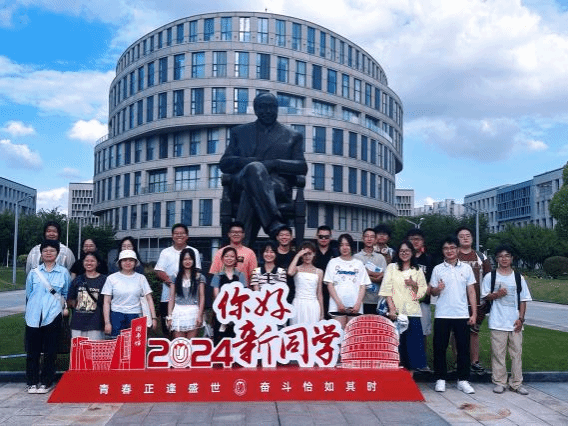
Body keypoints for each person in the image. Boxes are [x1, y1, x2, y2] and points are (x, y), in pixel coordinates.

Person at [219, 92, 308, 241]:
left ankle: (241, 249)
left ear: (277, 108)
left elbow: (302, 167)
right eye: (262, 107)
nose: (267, 111)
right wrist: (248, 162)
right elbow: (224, 163)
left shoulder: (293, 135)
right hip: (241, 183)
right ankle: (273, 223)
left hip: (276, 186)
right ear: (255, 109)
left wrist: (274, 164)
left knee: (250, 192)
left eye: (271, 107)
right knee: (254, 169)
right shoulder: (239, 132)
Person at [481, 245, 532, 395]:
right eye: (501, 256)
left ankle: (516, 383)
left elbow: (523, 300)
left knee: (516, 354)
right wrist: (497, 294)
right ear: (496, 259)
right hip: (497, 321)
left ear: (512, 258)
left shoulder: (518, 277)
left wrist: (521, 319)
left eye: (507, 256)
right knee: (498, 354)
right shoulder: (490, 277)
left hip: (514, 322)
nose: (504, 259)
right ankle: (500, 382)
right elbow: (485, 296)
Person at [430, 236, 477, 394]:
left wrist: (473, 313)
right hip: (442, 314)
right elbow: (432, 292)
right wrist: (438, 288)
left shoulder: (466, 268)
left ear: (457, 249)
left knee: (463, 348)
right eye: (446, 248)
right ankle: (440, 378)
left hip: (461, 314)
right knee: (440, 347)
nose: (449, 251)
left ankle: (463, 380)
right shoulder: (438, 269)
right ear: (442, 251)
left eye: (452, 248)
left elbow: (471, 291)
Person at [25, 240, 71, 394]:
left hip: (53, 315)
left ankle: (46, 381)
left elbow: (66, 294)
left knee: (51, 351)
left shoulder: (63, 272)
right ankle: (32, 382)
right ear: (41, 253)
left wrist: (63, 308)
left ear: (57, 253)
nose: (48, 253)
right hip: (33, 316)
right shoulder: (34, 272)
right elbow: (29, 293)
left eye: (52, 250)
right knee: (33, 351)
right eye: (45, 250)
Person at [379, 240, 428, 374]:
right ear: (398, 253)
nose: (404, 253)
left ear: (412, 253)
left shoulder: (417, 270)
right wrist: (392, 309)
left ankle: (410, 378)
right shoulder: (392, 267)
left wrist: (414, 284)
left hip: (412, 313)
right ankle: (396, 379)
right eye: (401, 251)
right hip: (396, 314)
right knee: (395, 348)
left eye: (407, 251)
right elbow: (387, 290)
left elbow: (422, 293)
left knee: (412, 349)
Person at [456, 226, 492, 375]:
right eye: (461, 236)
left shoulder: (481, 257)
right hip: (457, 302)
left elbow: (489, 278)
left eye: (468, 235)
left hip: (477, 303)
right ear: (457, 239)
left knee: (474, 332)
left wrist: (487, 299)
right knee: (456, 334)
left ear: (472, 238)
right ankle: (458, 361)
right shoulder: (453, 255)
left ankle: (474, 361)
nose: (465, 238)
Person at [154, 224, 201, 335]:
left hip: (189, 301)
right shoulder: (166, 252)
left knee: (190, 331)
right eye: (176, 233)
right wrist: (174, 285)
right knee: (169, 330)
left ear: (187, 236)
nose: (179, 235)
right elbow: (159, 271)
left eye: (182, 233)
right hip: (167, 297)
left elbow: (197, 272)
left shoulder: (194, 251)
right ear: (172, 236)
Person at [102, 249, 157, 337]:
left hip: (136, 315)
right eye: (124, 260)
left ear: (135, 262)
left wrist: (153, 318)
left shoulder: (141, 278)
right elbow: (106, 302)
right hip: (116, 315)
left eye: (131, 260)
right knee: (117, 342)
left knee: (135, 342)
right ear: (120, 262)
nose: (128, 263)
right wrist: (107, 322)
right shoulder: (111, 278)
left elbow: (149, 299)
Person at [323, 233, 371, 329]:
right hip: (337, 306)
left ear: (351, 246)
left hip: (354, 307)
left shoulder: (359, 264)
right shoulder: (333, 262)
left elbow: (363, 285)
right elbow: (330, 284)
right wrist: (339, 303)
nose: (344, 248)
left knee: (352, 335)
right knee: (338, 333)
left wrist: (358, 304)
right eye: (342, 245)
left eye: (347, 245)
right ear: (338, 247)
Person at [406, 228, 434, 367]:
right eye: (412, 239)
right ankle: (405, 361)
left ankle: (422, 363)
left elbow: (430, 284)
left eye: (418, 239)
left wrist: (418, 287)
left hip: (422, 302)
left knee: (423, 333)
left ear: (423, 241)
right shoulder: (402, 258)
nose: (415, 242)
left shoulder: (428, 259)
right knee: (404, 331)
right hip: (404, 302)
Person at [166, 248, 206, 339]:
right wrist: (169, 316)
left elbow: (202, 297)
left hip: (193, 312)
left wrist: (200, 315)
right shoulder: (175, 276)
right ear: (181, 261)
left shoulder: (199, 277)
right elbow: (171, 297)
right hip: (178, 312)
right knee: (179, 343)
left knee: (191, 343)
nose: (187, 261)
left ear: (194, 260)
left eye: (190, 259)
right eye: (185, 259)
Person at [210, 246, 247, 343]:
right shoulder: (217, 276)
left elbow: (244, 295)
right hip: (221, 313)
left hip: (237, 314)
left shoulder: (240, 275)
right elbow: (216, 296)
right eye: (226, 256)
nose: (229, 258)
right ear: (222, 258)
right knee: (220, 342)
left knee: (237, 342)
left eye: (232, 256)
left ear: (236, 259)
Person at [67, 252, 106, 341]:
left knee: (94, 348)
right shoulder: (77, 280)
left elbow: (106, 302)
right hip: (78, 323)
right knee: (78, 348)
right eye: (87, 261)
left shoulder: (104, 280)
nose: (89, 263)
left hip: (96, 323)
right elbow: (70, 299)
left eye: (92, 261)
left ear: (98, 263)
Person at [288, 241, 324, 324]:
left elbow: (319, 293)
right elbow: (290, 272)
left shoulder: (319, 272)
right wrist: (297, 255)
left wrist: (322, 313)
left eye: (309, 254)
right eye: (305, 254)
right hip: (298, 303)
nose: (307, 257)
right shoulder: (297, 269)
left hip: (313, 304)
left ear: (314, 254)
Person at [354, 228, 387, 314]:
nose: (369, 239)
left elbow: (383, 277)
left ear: (375, 240)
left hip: (376, 300)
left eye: (372, 237)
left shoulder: (381, 258)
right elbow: (356, 278)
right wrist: (376, 276)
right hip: (360, 300)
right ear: (363, 238)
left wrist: (367, 273)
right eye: (367, 236)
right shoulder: (356, 257)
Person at [313, 225, 338, 319]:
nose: (323, 239)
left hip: (332, 292)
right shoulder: (312, 252)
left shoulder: (336, 253)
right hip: (314, 292)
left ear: (330, 238)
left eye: (326, 237)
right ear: (316, 237)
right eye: (321, 236)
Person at [274, 226, 297, 303]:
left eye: (287, 235)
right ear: (277, 237)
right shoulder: (271, 254)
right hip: (273, 293)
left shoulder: (295, 256)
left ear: (291, 237)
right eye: (281, 235)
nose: (284, 237)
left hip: (291, 294)